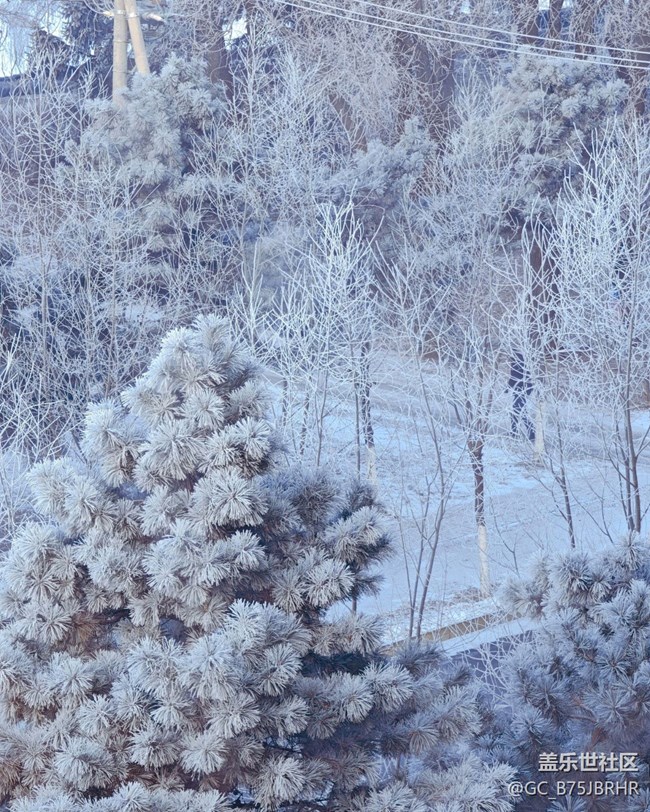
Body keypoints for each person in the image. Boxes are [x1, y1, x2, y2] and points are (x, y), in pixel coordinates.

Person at [508, 351, 535, 442]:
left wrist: (509, 386)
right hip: (523, 388)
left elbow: (514, 376)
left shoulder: (517, 363)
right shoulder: (522, 362)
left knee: (518, 409)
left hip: (522, 388)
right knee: (518, 409)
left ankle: (529, 432)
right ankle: (516, 431)